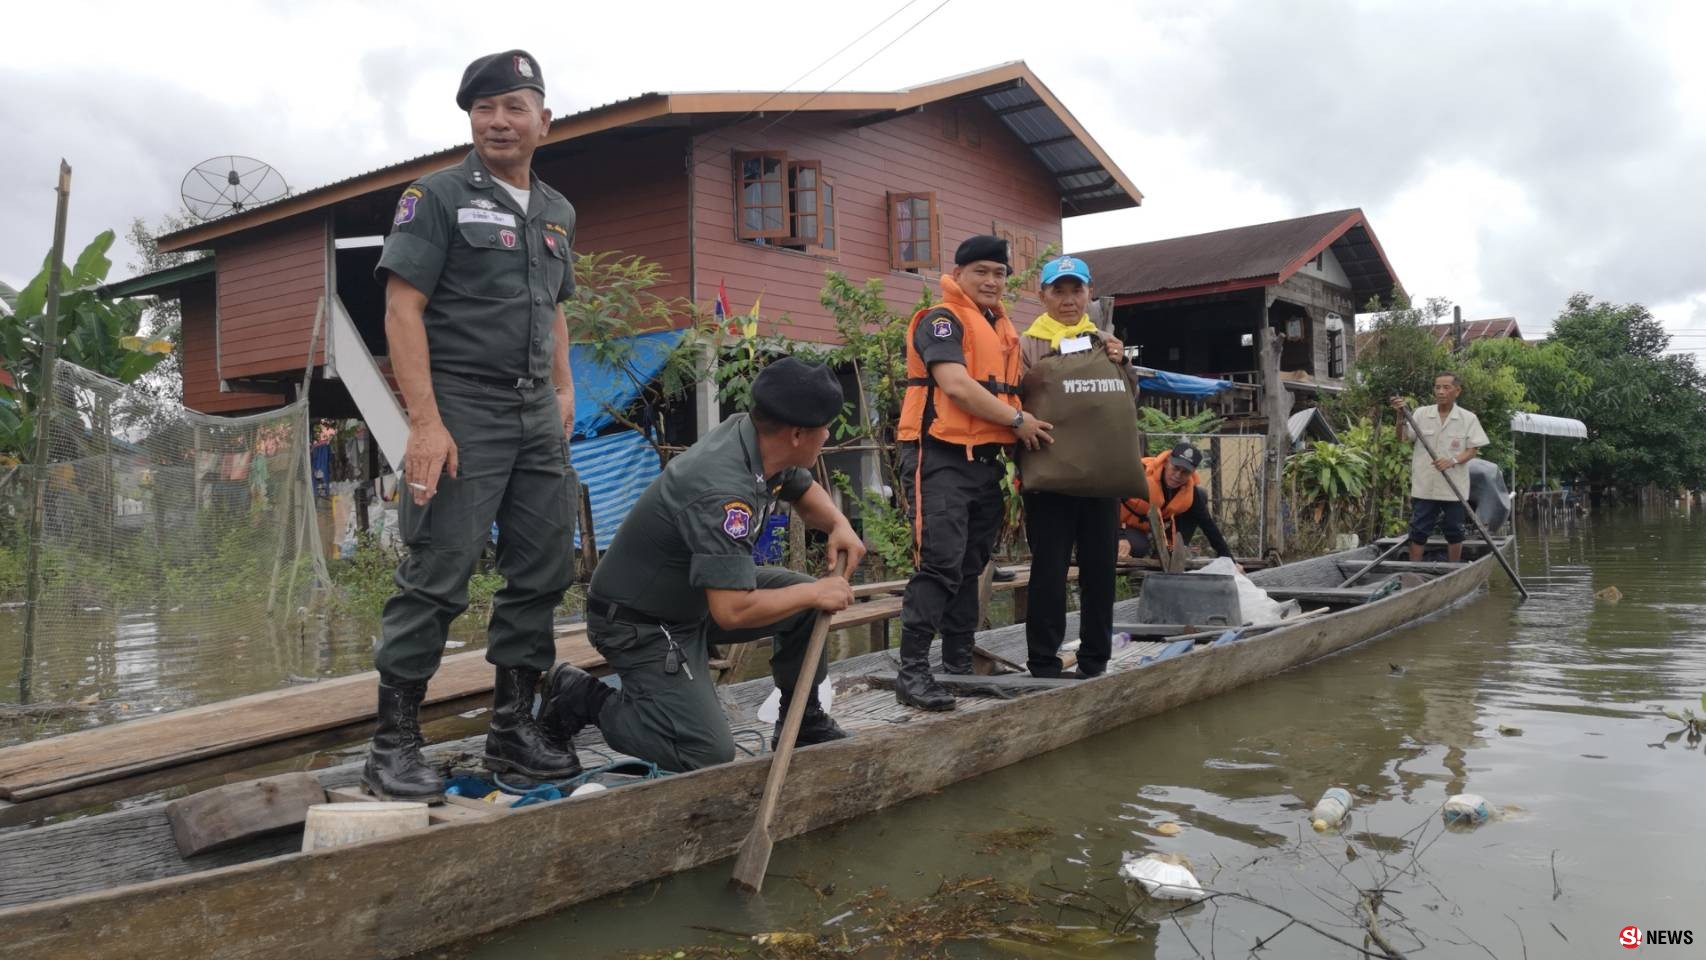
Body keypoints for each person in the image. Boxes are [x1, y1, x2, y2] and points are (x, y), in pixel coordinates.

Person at [363, 50, 582, 801]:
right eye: (484, 107)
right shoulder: (438, 197)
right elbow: (401, 308)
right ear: (470, 118)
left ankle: (513, 731)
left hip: (534, 414)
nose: (498, 120)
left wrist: (564, 384)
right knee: (436, 574)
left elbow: (553, 306)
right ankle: (393, 746)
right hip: (460, 406)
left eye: (514, 106)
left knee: (543, 568)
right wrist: (423, 422)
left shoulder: (557, 212)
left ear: (543, 121)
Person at [538, 358, 866, 773]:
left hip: (692, 598)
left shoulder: (756, 439)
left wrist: (838, 524)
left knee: (802, 600)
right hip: (639, 622)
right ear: (798, 434)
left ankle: (802, 720)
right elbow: (731, 611)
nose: (829, 435)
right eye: (825, 428)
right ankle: (581, 697)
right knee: (705, 752)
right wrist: (818, 591)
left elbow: (800, 486)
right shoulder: (721, 490)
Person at [892, 236, 1054, 711]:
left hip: (984, 462)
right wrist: (1019, 421)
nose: (991, 281)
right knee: (939, 562)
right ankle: (913, 673)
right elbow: (956, 385)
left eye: (999, 273)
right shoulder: (942, 320)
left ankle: (957, 666)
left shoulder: (1003, 329)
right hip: (938, 455)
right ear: (958, 274)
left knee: (970, 566)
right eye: (981, 271)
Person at [1017, 255, 1134, 679]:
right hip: (1050, 480)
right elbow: (1015, 405)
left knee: (1100, 571)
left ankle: (1094, 661)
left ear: (1089, 293)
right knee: (1048, 571)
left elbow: (1126, 403)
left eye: (1076, 290)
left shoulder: (1107, 343)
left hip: (1101, 478)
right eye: (1058, 290)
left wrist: (1124, 364)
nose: (1068, 299)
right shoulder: (1026, 344)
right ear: (1043, 295)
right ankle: (1044, 663)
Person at [1392, 373, 1488, 563]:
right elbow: (1401, 438)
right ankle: (1414, 571)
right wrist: (1400, 415)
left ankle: (1453, 570)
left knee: (1454, 530)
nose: (1441, 392)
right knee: (1418, 531)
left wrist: (1452, 460)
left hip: (1453, 487)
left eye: (1446, 387)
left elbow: (1472, 450)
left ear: (1457, 391)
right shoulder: (1420, 413)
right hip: (1425, 485)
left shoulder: (1468, 418)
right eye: (1437, 387)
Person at [1117, 443, 1237, 564]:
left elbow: (1208, 525)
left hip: (1146, 529)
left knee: (1201, 495)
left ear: (1192, 473)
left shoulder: (1190, 492)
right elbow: (1109, 500)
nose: (1178, 476)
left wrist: (1230, 561)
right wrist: (1120, 537)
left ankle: (1169, 550)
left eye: (1185, 472)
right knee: (1138, 547)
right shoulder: (1140, 473)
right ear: (1166, 462)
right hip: (1117, 524)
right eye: (1175, 468)